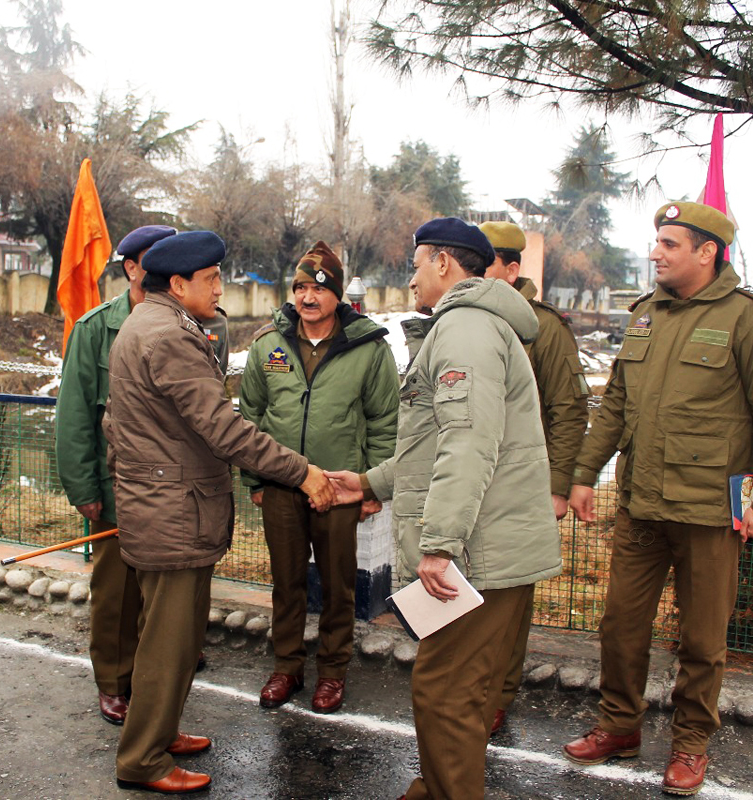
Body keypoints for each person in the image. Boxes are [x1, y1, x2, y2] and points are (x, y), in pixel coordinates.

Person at [562, 202, 753, 797]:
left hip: (708, 513)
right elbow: (616, 402)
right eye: (657, 242)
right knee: (619, 624)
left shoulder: (752, 319)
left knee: (701, 637)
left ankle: (691, 744)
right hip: (642, 503)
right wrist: (585, 472)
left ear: (706, 252)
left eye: (670, 243)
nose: (656, 253)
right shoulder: (646, 315)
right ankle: (619, 726)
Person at [326, 218, 562, 800]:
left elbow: (469, 442)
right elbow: (431, 442)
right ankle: (435, 787)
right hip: (482, 542)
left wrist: (440, 545)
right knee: (457, 687)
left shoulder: (464, 329)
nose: (410, 279)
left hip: (475, 550)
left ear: (444, 265)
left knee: (447, 691)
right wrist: (369, 482)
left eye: (416, 264)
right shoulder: (469, 326)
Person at [103, 230, 335, 794]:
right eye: (211, 280)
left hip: (167, 505)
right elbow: (222, 427)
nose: (219, 288)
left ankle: (156, 730)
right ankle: (143, 759)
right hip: (173, 510)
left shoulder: (152, 322)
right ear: (178, 284)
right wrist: (300, 470)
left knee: (174, 636)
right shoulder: (169, 336)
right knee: (167, 641)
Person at [239, 240, 399, 714]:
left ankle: (332, 673)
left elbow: (384, 421)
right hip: (282, 485)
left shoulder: (367, 348)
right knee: (285, 583)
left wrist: (371, 487)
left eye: (318, 288)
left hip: (338, 488)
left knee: (337, 586)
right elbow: (250, 416)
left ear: (338, 295)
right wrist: (255, 481)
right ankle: (285, 668)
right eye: (299, 288)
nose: (307, 298)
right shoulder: (269, 344)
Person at [56, 224, 177, 726]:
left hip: (172, 487)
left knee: (167, 591)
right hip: (116, 487)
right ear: (132, 268)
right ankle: (114, 679)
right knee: (116, 594)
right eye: (158, 260)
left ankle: (159, 674)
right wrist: (83, 488)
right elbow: (75, 416)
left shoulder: (195, 323)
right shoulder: (95, 329)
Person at [479, 220, 590, 736]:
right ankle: (469, 687)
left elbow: (569, 411)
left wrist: (558, 487)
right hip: (471, 481)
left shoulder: (542, 327)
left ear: (512, 269)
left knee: (509, 599)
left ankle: (497, 695)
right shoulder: (462, 320)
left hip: (523, 484)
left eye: (486, 265)